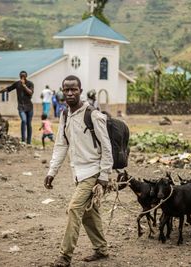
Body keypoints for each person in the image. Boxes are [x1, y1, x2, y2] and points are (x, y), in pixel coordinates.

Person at [44, 75, 113, 267]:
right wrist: (51, 172)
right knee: (90, 214)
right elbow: (60, 145)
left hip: (93, 172)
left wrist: (104, 176)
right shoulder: (65, 115)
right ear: (62, 92)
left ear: (81, 91)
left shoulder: (93, 114)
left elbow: (107, 147)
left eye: (74, 89)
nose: (70, 93)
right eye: (66, 89)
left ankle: (64, 257)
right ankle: (101, 250)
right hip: (78, 172)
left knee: (74, 208)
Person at [0, 70, 34, 144]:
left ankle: (29, 142)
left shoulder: (30, 84)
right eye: (21, 76)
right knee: (24, 120)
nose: (22, 77)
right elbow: (8, 89)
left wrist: (24, 86)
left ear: (26, 76)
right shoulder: (17, 84)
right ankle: (23, 140)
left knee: (29, 124)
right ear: (19, 76)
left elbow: (31, 92)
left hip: (29, 107)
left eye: (24, 76)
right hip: (21, 107)